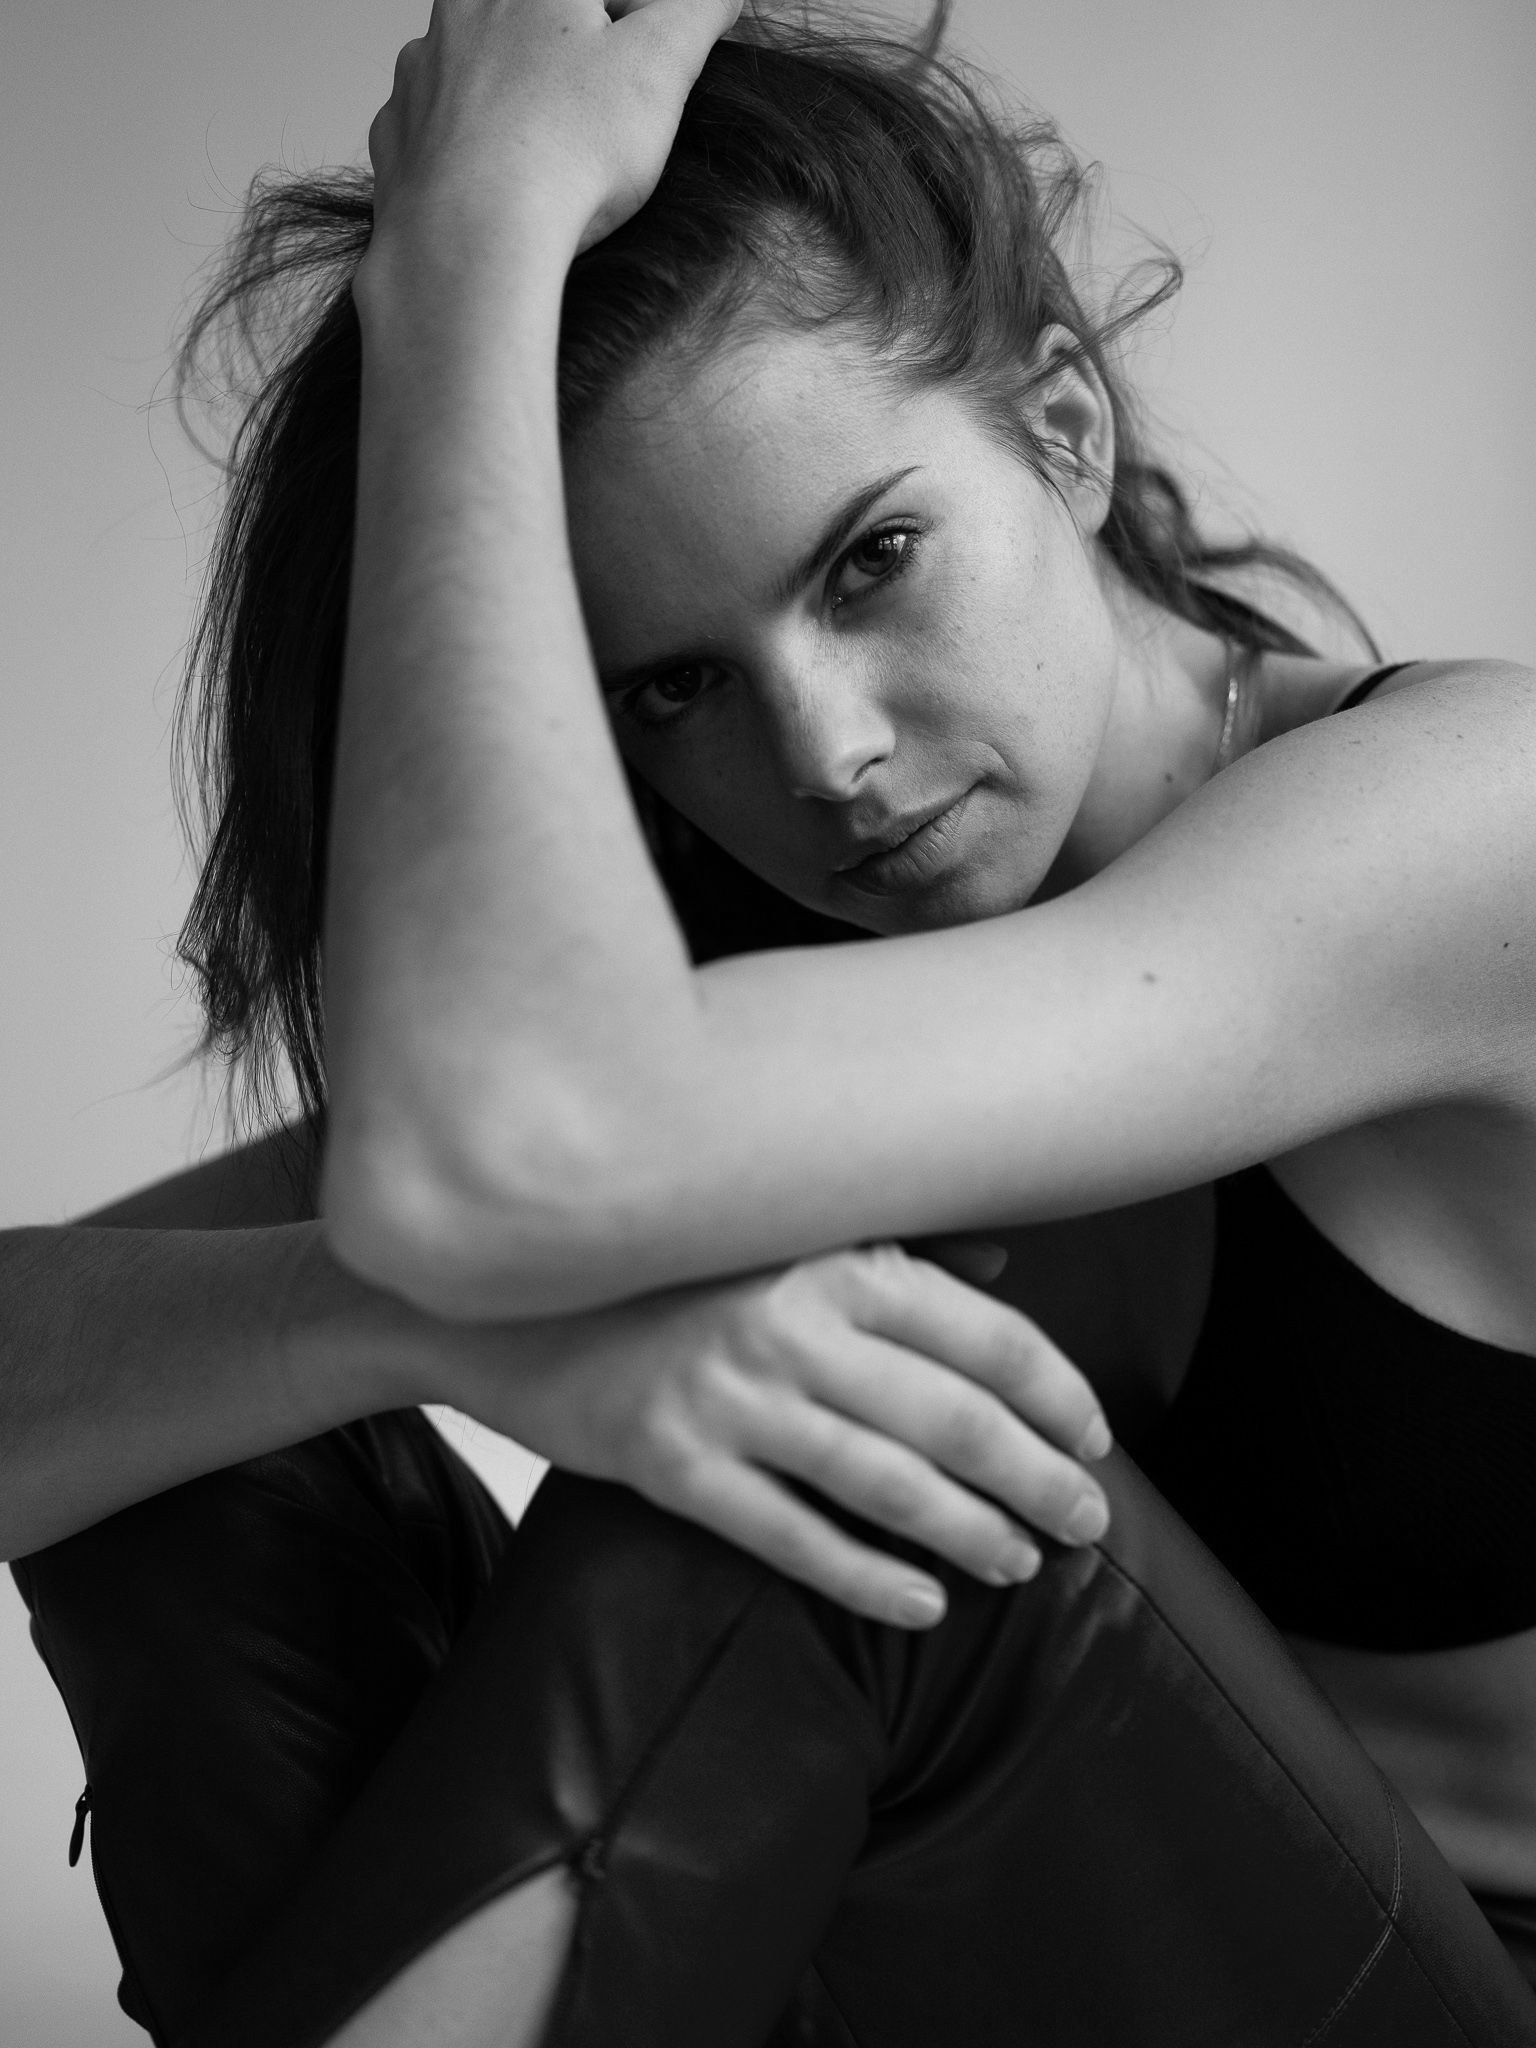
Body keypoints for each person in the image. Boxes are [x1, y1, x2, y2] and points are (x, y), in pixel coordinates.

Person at [8, 2, 1536, 2043]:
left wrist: (466, 253)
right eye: (670, 687)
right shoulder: (762, 988)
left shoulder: (1471, 820)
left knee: (857, 1464)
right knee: (214, 1452)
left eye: (874, 561)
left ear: (1064, 428)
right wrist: (428, 1322)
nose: (824, 756)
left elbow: (496, 1151)